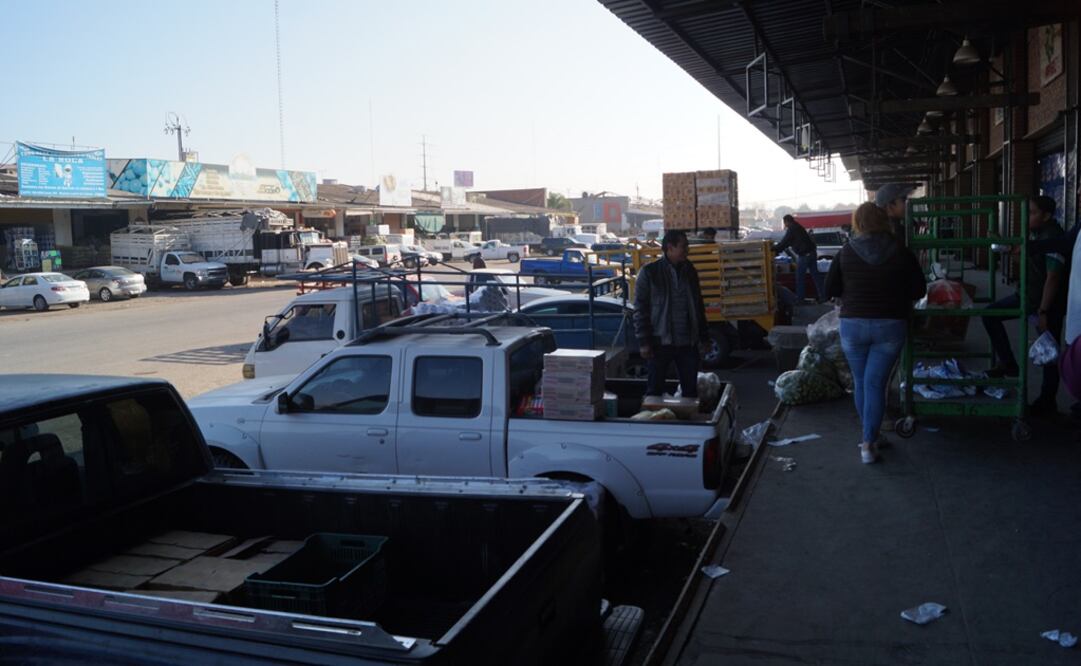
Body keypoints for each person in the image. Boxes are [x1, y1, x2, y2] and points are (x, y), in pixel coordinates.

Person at [825, 202, 927, 464]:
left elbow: (829, 288)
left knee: (862, 383)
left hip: (853, 326)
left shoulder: (846, 251)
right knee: (875, 384)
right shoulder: (901, 251)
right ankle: (869, 443)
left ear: (858, 222)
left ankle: (871, 436)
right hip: (890, 326)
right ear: (884, 221)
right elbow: (918, 290)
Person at [981, 195, 1067, 417]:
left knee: (1049, 352)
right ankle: (1008, 363)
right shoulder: (1036, 234)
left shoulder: (1053, 237)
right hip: (1027, 295)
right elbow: (1030, 262)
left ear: (1046, 215)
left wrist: (1044, 312)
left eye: (1032, 212)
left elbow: (1053, 277)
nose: (1027, 217)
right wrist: (1009, 250)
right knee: (990, 314)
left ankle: (1047, 403)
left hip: (1045, 303)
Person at [633, 229, 709, 398]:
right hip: (659, 343)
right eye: (684, 246)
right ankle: (654, 422)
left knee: (690, 393)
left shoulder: (690, 271)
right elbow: (640, 310)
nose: (687, 250)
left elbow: (698, 306)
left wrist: (704, 337)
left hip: (687, 343)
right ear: (670, 247)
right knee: (654, 391)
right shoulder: (649, 273)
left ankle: (685, 423)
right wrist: (644, 342)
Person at [773, 214, 823, 302]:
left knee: (800, 277)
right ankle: (823, 296)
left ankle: (800, 299)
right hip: (812, 253)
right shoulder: (798, 227)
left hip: (804, 255)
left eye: (785, 223)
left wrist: (774, 249)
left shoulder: (792, 229)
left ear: (787, 222)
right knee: (815, 276)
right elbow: (788, 243)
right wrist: (779, 248)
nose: (785, 225)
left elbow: (785, 242)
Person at [875, 183, 915, 247]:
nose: (907, 204)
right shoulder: (895, 232)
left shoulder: (881, 229)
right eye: (903, 200)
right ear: (890, 206)